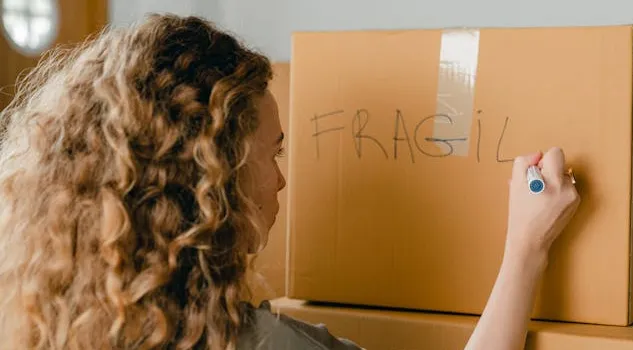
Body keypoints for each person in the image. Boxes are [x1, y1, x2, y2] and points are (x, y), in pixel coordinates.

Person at [0, 14, 580, 350]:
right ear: (214, 179)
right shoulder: (259, 344)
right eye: (272, 153)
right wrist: (526, 249)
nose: (280, 182)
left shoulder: (53, 323)